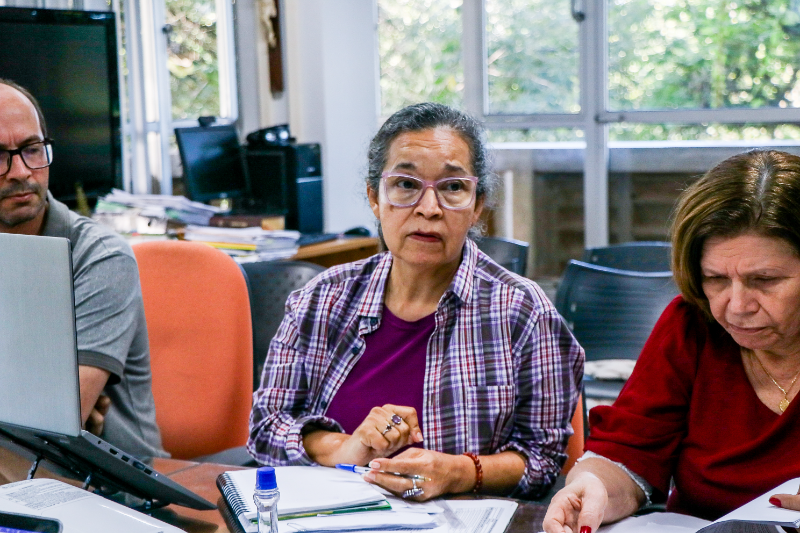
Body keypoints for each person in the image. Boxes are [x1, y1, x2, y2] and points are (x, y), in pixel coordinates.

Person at [248, 102, 584, 500]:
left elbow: (542, 460)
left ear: (477, 206)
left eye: (453, 188)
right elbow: (266, 427)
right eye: (406, 185)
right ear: (375, 197)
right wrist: (345, 448)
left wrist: (458, 472)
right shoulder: (320, 301)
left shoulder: (523, 313)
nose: (428, 208)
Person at [543, 149, 800, 532]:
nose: (737, 306)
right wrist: (592, 487)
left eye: (765, 280)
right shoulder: (691, 326)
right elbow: (629, 449)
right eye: (715, 279)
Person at [0, 79, 166, 475]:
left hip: (108, 487)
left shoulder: (101, 257)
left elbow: (49, 424)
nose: (20, 172)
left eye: (32, 150)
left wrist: (46, 408)